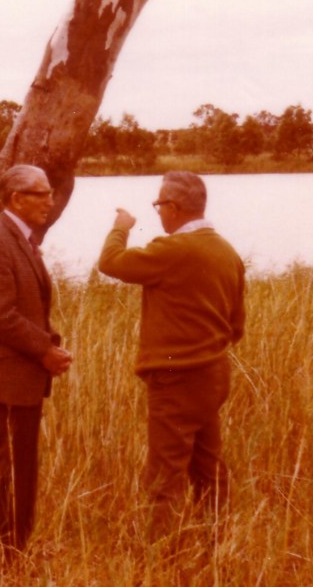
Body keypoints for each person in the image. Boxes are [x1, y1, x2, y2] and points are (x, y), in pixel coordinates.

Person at [97, 171, 245, 539]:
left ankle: (158, 556)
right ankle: (215, 543)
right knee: (208, 465)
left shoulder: (173, 249)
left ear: (174, 208)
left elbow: (111, 262)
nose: (157, 213)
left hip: (176, 379)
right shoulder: (227, 251)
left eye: (158, 205)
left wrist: (121, 226)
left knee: (164, 474)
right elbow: (236, 325)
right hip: (213, 375)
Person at [0, 164, 73, 557]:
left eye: (49, 192)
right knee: (10, 470)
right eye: (41, 194)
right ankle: (0, 557)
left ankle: (12, 553)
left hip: (20, 375)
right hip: (7, 377)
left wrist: (47, 348)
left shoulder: (18, 238)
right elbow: (0, 315)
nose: (50, 200)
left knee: (19, 469)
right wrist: (45, 349)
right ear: (16, 199)